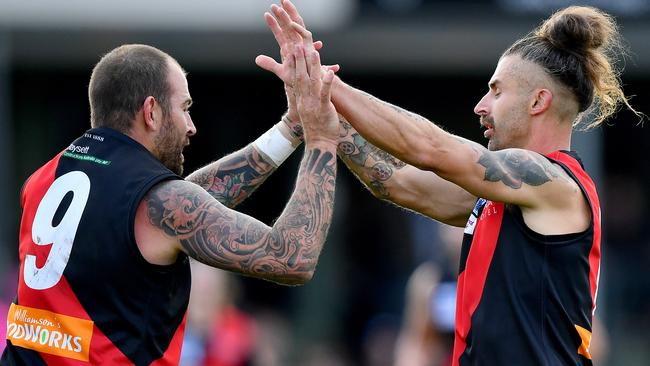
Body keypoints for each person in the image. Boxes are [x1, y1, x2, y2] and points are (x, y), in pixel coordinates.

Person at [258, 1, 641, 365]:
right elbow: (397, 183)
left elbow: (430, 148)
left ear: (538, 102)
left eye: (496, 90)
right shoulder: (505, 196)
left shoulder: (554, 182)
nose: (481, 106)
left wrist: (325, 83)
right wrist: (327, 118)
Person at [2, 43, 339, 365]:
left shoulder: (46, 177)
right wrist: (322, 138)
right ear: (151, 111)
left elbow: (181, 205)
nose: (191, 127)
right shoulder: (156, 203)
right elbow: (293, 257)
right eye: (185, 108)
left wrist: (291, 128)